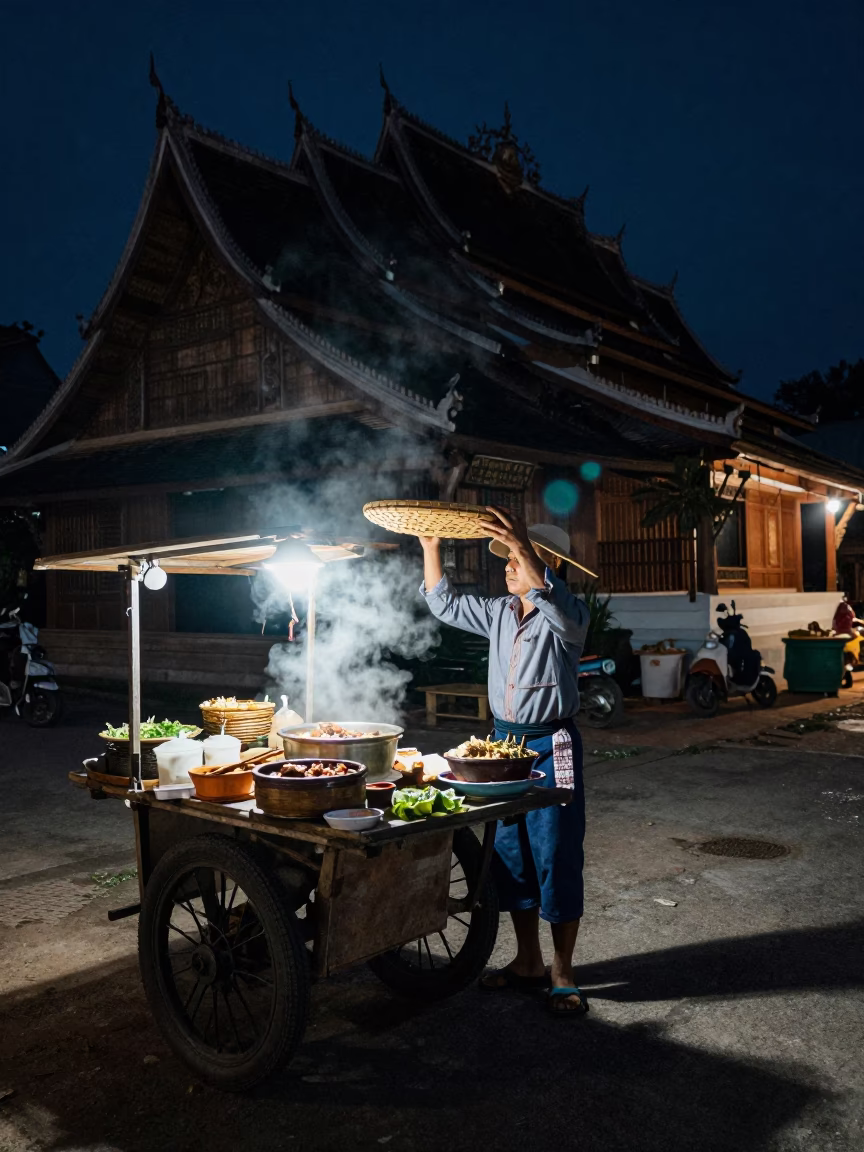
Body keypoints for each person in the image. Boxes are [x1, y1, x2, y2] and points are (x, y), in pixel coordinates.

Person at [419, 507, 591, 1016]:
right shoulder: (498, 612)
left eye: (516, 558)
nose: (507, 567)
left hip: (550, 744)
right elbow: (444, 604)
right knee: (510, 851)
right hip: (502, 745)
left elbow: (551, 598)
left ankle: (563, 970)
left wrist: (524, 546)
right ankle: (528, 962)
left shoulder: (569, 614)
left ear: (544, 563)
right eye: (508, 559)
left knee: (555, 851)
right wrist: (431, 547)